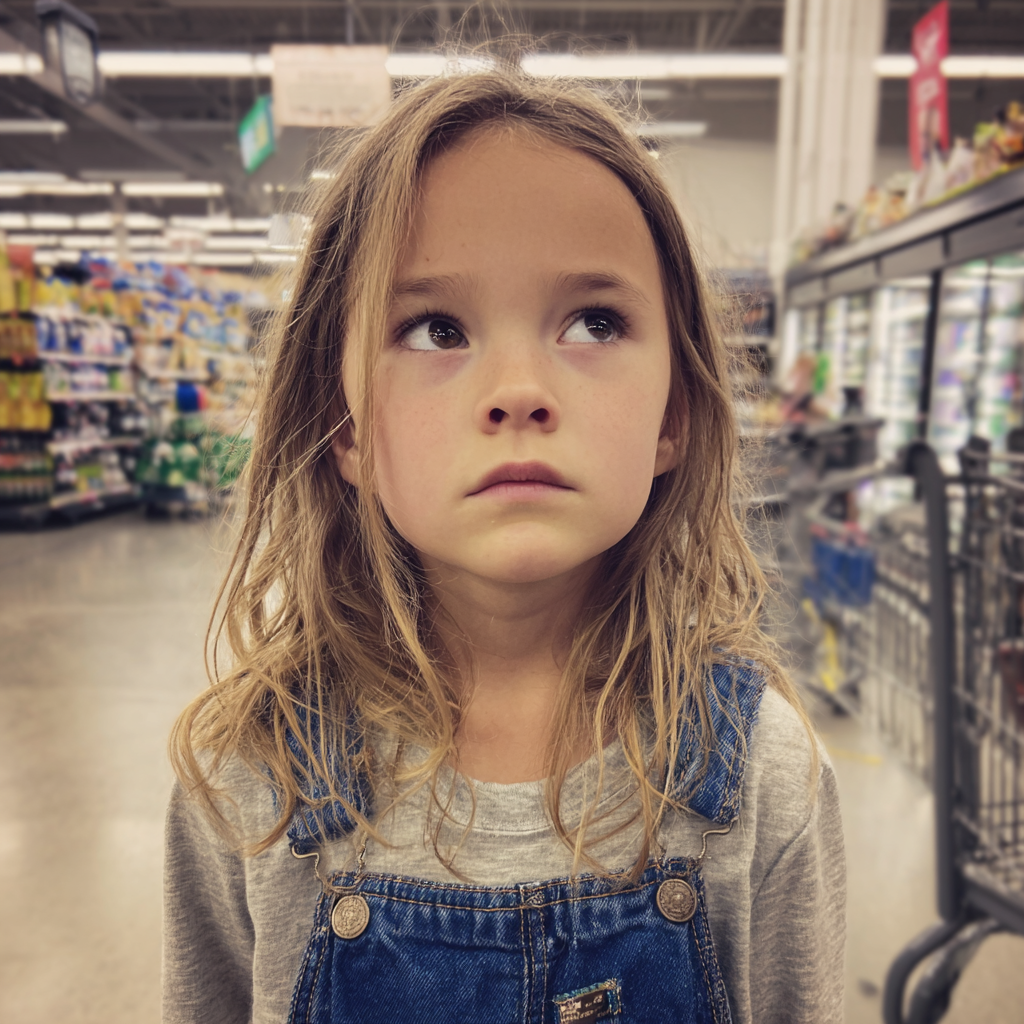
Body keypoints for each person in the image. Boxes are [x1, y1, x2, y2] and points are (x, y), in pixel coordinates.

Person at [164, 65, 845, 1024]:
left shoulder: (761, 779)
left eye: (593, 321)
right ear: (345, 426)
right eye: (436, 328)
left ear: (672, 417)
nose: (519, 388)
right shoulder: (248, 776)